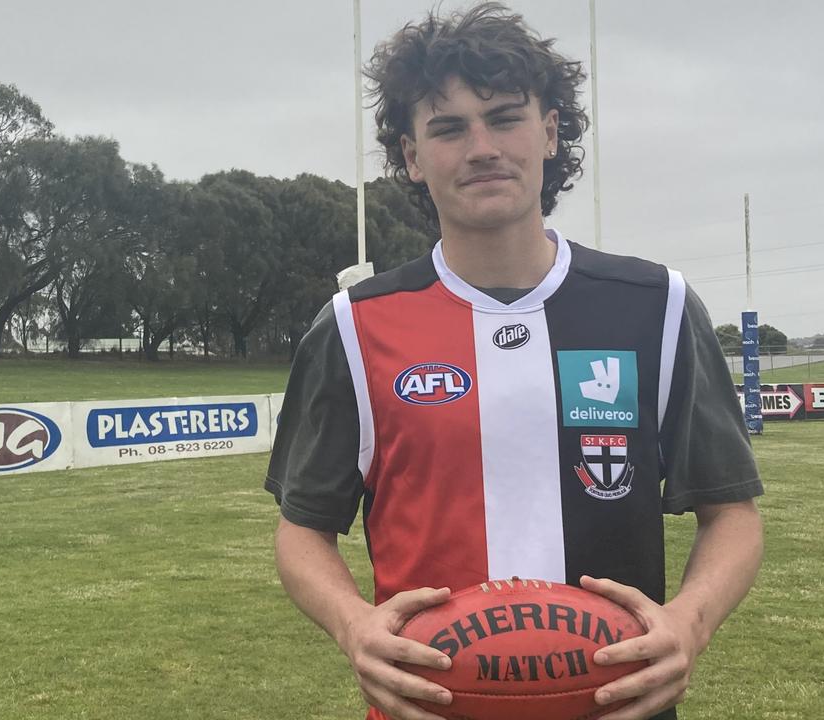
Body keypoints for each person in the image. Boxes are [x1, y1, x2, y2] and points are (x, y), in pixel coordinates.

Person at [264, 4, 764, 720]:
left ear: (550, 131)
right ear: (410, 155)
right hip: (432, 705)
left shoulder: (656, 306)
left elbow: (733, 513)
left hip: (618, 704)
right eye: (447, 127)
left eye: (504, 117)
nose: (481, 147)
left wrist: (689, 620)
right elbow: (301, 527)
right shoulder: (353, 325)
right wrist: (354, 625)